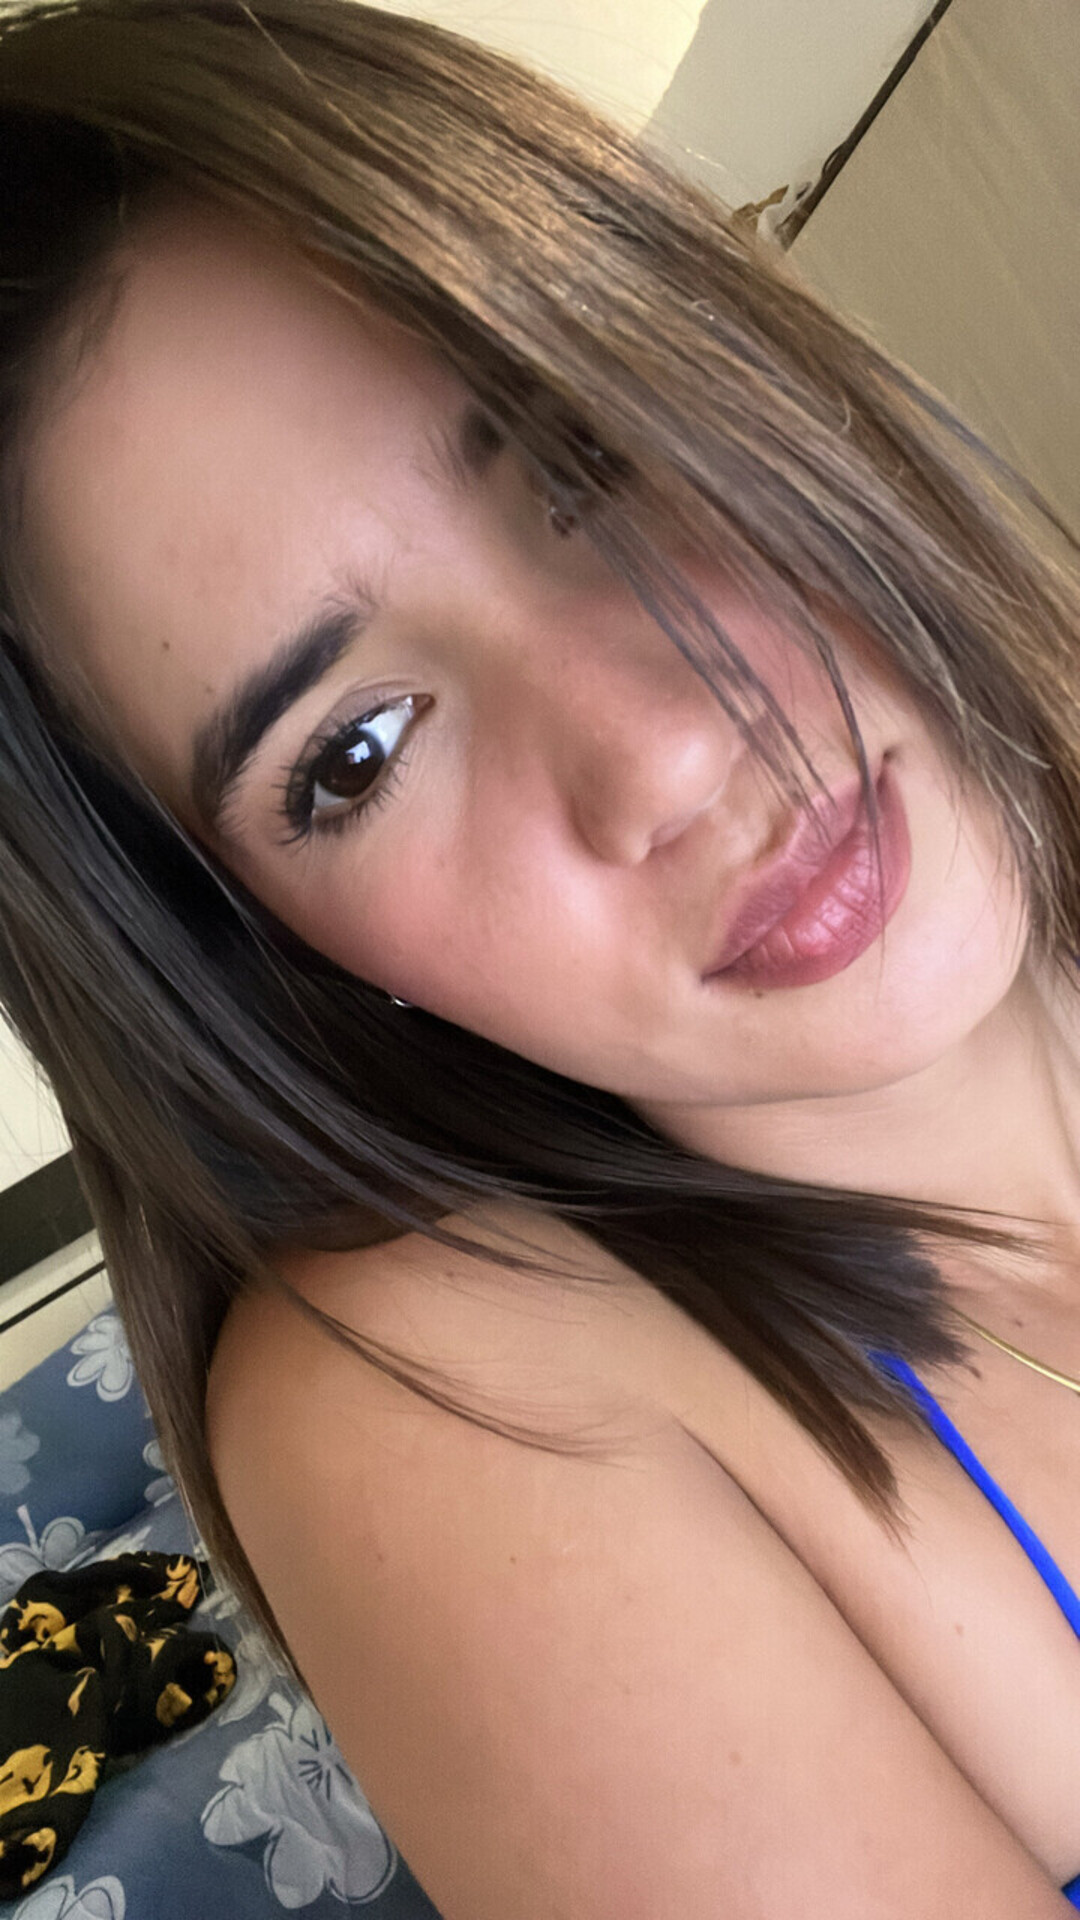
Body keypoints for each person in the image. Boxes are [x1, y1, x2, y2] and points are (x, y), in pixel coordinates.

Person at [1, 0, 1079, 1911]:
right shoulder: (430, 1397)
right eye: (354, 754)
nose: (662, 752)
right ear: (270, 953)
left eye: (584, 453)